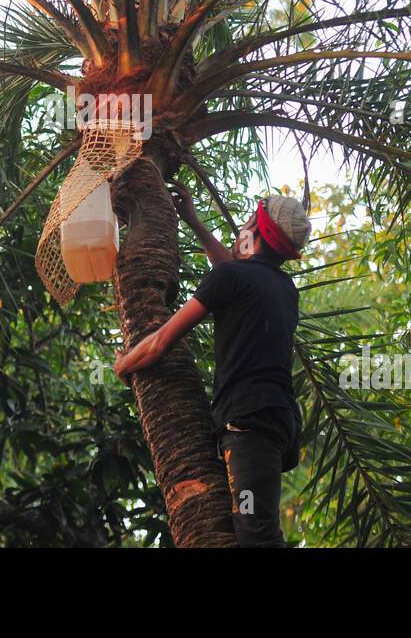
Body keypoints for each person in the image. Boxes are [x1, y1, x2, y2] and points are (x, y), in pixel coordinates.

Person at [114, 187, 312, 547]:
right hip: (277, 421)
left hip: (250, 424)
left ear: (256, 233)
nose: (241, 229)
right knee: (252, 527)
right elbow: (233, 274)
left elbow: (160, 342)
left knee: (257, 538)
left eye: (249, 222)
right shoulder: (283, 287)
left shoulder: (233, 279)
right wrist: (194, 221)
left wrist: (124, 364)